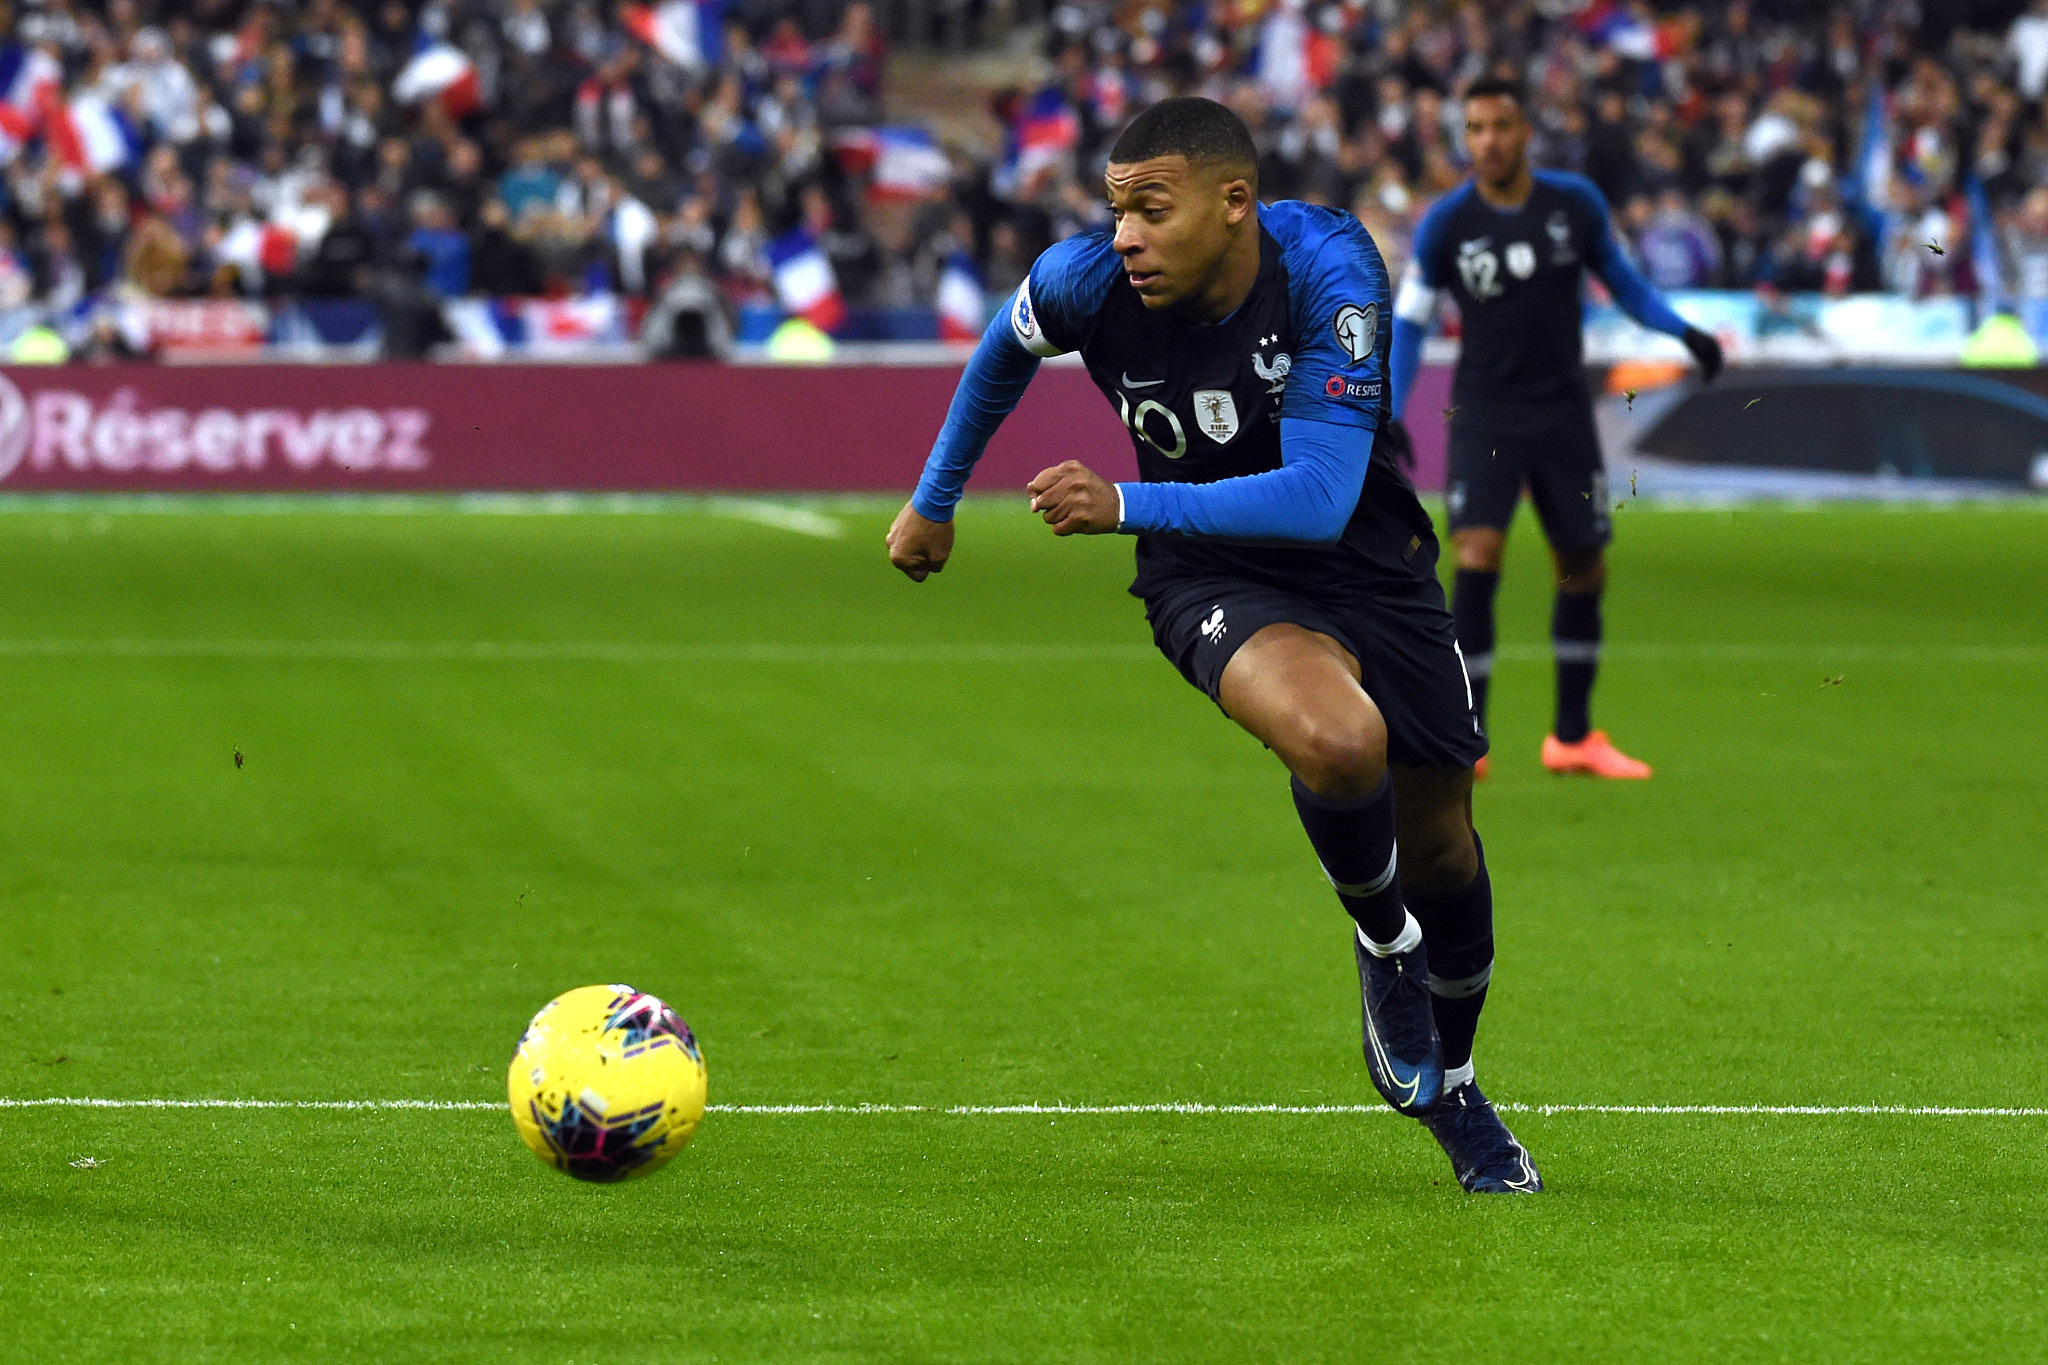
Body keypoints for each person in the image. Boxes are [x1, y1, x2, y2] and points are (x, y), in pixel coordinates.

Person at [887, 97, 1539, 1194]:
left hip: (1367, 559)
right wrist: (933, 498)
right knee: (1341, 743)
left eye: (1152, 208)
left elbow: (1320, 497)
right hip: (1210, 573)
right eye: (1116, 210)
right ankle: (1385, 944)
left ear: (1234, 202)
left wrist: (1122, 501)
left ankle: (1458, 1088)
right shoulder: (1084, 280)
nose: (1125, 236)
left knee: (1444, 851)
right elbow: (1003, 349)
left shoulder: (1328, 266)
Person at [1387, 77, 1724, 781]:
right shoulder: (1446, 223)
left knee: (1582, 564)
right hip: (1485, 410)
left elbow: (1625, 284)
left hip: (1563, 410)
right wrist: (1388, 411)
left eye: (1501, 126)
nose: (1488, 141)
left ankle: (1572, 736)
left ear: (1525, 132)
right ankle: (1468, 739)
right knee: (1477, 553)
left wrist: (1683, 332)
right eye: (1475, 128)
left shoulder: (1574, 204)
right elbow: (1412, 323)